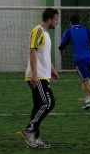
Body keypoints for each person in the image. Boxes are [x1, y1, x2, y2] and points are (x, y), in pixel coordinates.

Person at [20, 8, 60, 149]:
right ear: (49, 19)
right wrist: (35, 75)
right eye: (56, 19)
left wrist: (53, 71)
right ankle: (29, 130)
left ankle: (35, 138)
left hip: (44, 74)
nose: (57, 21)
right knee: (48, 102)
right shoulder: (37, 30)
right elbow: (32, 51)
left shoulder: (46, 34)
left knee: (39, 106)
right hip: (38, 76)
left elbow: (44, 56)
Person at [58, 15, 90, 112]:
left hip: (79, 60)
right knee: (83, 80)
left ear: (70, 22)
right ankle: (87, 102)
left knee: (87, 82)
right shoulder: (86, 30)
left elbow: (62, 44)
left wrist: (61, 50)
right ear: (79, 22)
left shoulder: (69, 32)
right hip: (89, 59)